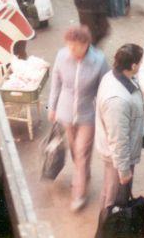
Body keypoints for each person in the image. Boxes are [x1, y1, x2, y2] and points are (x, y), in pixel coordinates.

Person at [48, 26, 109, 212]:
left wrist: (104, 115)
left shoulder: (99, 60)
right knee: (76, 152)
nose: (71, 51)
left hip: (87, 114)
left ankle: (79, 194)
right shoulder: (61, 56)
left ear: (86, 45)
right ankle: (83, 175)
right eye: (69, 46)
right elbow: (56, 83)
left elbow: (105, 87)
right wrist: (52, 107)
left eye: (75, 47)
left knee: (81, 153)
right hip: (65, 113)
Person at [94, 43, 144, 212]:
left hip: (119, 154)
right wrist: (124, 170)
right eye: (140, 62)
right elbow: (118, 138)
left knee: (115, 194)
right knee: (113, 197)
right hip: (117, 158)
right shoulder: (117, 100)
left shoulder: (114, 76)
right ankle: (107, 230)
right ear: (133, 66)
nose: (141, 65)